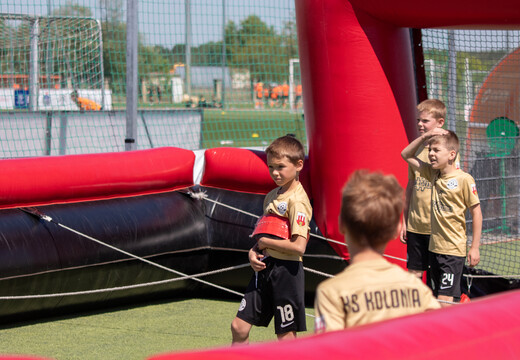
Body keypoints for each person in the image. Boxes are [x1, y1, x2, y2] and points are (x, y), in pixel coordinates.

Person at [314, 170, 440, 332]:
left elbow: (328, 350)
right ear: (396, 229)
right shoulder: (416, 288)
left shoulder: (331, 292)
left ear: (341, 224)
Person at [231, 135, 312, 344]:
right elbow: (266, 233)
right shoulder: (272, 196)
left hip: (287, 272)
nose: (275, 172)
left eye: (281, 167)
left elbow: (299, 246)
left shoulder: (298, 202)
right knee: (238, 327)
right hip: (264, 268)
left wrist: (266, 244)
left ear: (298, 165)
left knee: (285, 337)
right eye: (271, 167)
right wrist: (254, 251)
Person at [401, 129, 482, 305]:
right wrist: (424, 137)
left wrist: (475, 247)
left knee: (444, 301)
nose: (430, 154)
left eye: (436, 150)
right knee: (440, 299)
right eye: (430, 149)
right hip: (434, 250)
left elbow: (476, 212)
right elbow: (405, 154)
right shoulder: (432, 174)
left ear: (452, 154)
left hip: (452, 252)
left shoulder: (464, 180)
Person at [401, 99, 459, 279]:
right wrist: (404, 221)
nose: (420, 124)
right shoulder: (417, 149)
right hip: (416, 226)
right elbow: (411, 186)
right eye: (419, 120)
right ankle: (417, 307)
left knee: (438, 275)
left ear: (440, 123)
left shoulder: (446, 152)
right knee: (414, 274)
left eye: (425, 121)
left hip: (437, 228)